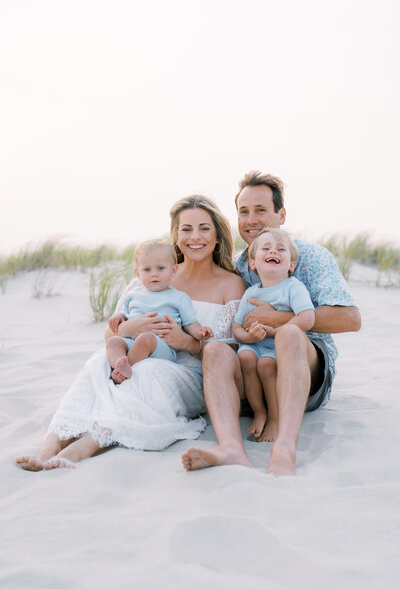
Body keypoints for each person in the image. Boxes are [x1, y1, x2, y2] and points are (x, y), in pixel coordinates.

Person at [16, 195, 245, 471]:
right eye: (186, 229)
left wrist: (186, 341)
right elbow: (111, 333)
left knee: (146, 374)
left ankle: (83, 447)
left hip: (189, 373)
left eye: (204, 228)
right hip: (134, 353)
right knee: (97, 362)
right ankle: (48, 447)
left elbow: (229, 357)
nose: (195, 236)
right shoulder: (153, 273)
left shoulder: (231, 284)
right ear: (176, 235)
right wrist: (130, 328)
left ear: (218, 235)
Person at [182, 171, 361, 476]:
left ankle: (285, 448)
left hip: (305, 370)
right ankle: (231, 448)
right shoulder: (239, 263)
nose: (251, 219)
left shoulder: (309, 256)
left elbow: (351, 318)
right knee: (215, 351)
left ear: (281, 215)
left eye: (261, 210)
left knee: (289, 334)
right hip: (254, 374)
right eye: (244, 211)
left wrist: (278, 319)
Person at [234, 227, 315, 442]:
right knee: (245, 357)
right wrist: (249, 337)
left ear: (291, 265)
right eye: (266, 248)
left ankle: (275, 417)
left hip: (277, 347)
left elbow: (307, 318)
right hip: (254, 344)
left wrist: (277, 332)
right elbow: (237, 327)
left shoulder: (292, 288)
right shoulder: (251, 294)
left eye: (281, 249)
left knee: (266, 366)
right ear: (253, 263)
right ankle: (259, 412)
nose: (274, 252)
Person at [106, 239, 213, 384]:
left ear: (173, 270)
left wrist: (200, 332)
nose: (154, 274)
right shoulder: (133, 294)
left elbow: (190, 323)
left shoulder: (179, 297)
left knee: (146, 338)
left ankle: (125, 370)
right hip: (132, 341)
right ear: (137, 273)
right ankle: (119, 363)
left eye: (161, 268)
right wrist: (118, 316)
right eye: (147, 270)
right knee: (113, 342)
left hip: (161, 347)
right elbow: (126, 314)